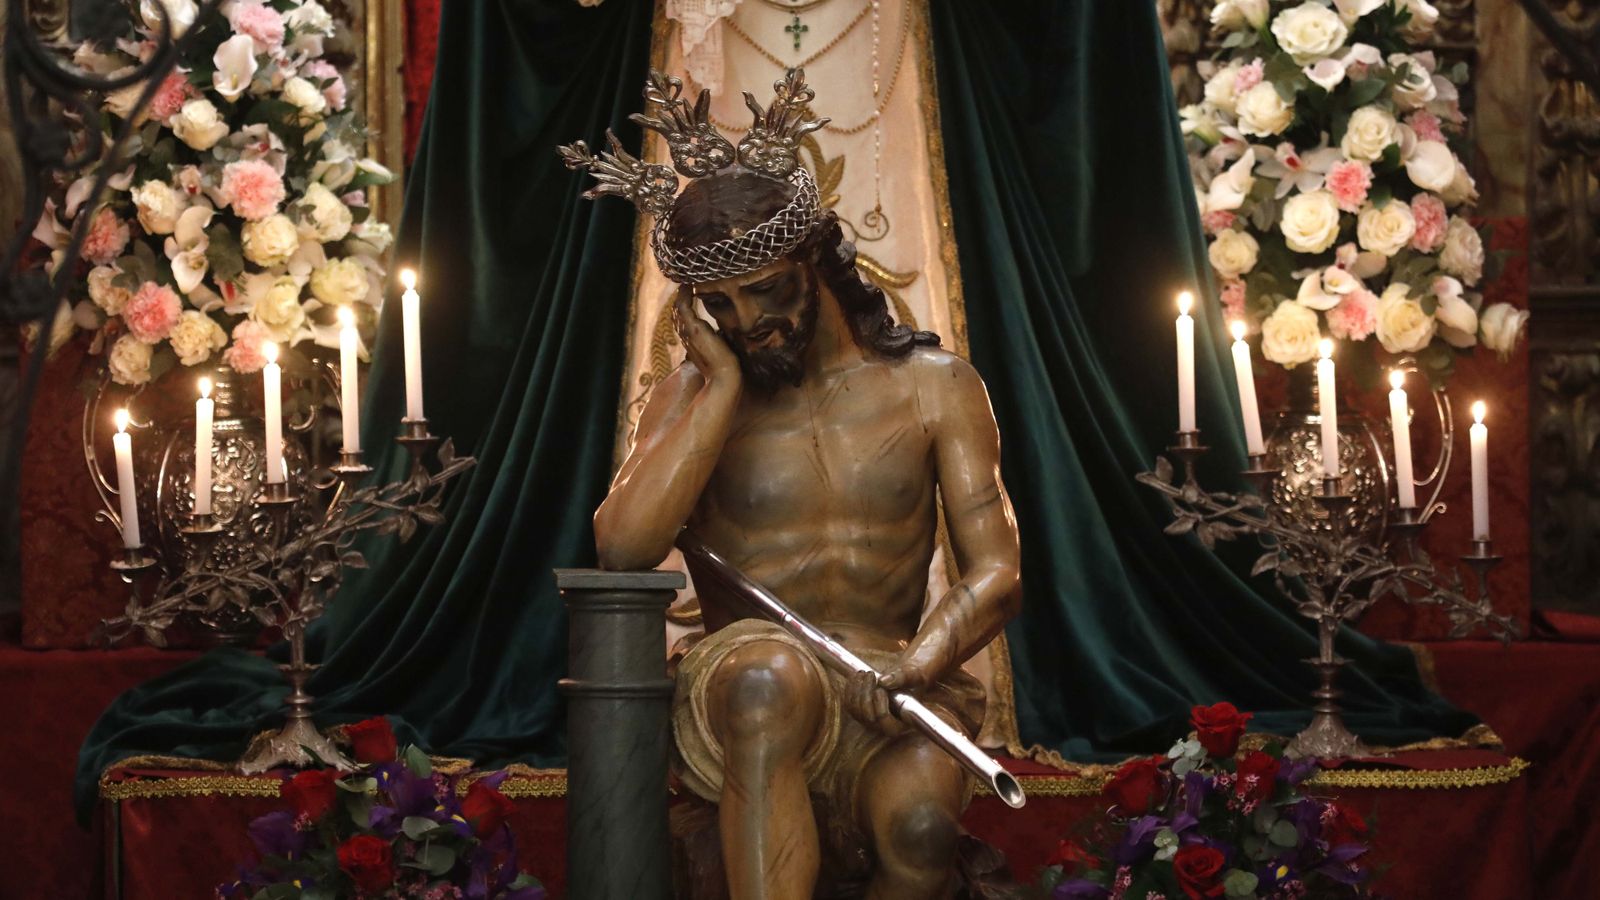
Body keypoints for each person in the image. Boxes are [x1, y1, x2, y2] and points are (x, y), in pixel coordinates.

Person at [563, 69, 1021, 900]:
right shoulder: (694, 398)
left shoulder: (937, 388)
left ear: (814, 257)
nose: (747, 323)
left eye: (765, 291)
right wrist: (719, 393)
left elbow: (997, 569)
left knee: (921, 830)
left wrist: (922, 662)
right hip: (745, 676)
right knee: (771, 680)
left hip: (889, 676)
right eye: (719, 305)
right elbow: (621, 547)